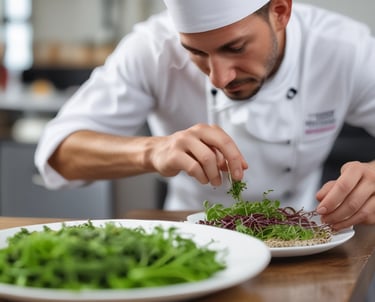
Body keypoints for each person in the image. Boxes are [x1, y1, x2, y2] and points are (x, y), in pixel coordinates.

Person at [35, 0, 375, 230]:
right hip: (190, 237)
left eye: (236, 47)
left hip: (303, 236)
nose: (219, 77)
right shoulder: (151, 48)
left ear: (280, 12)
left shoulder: (344, 48)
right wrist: (152, 151)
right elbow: (58, 155)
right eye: (196, 53)